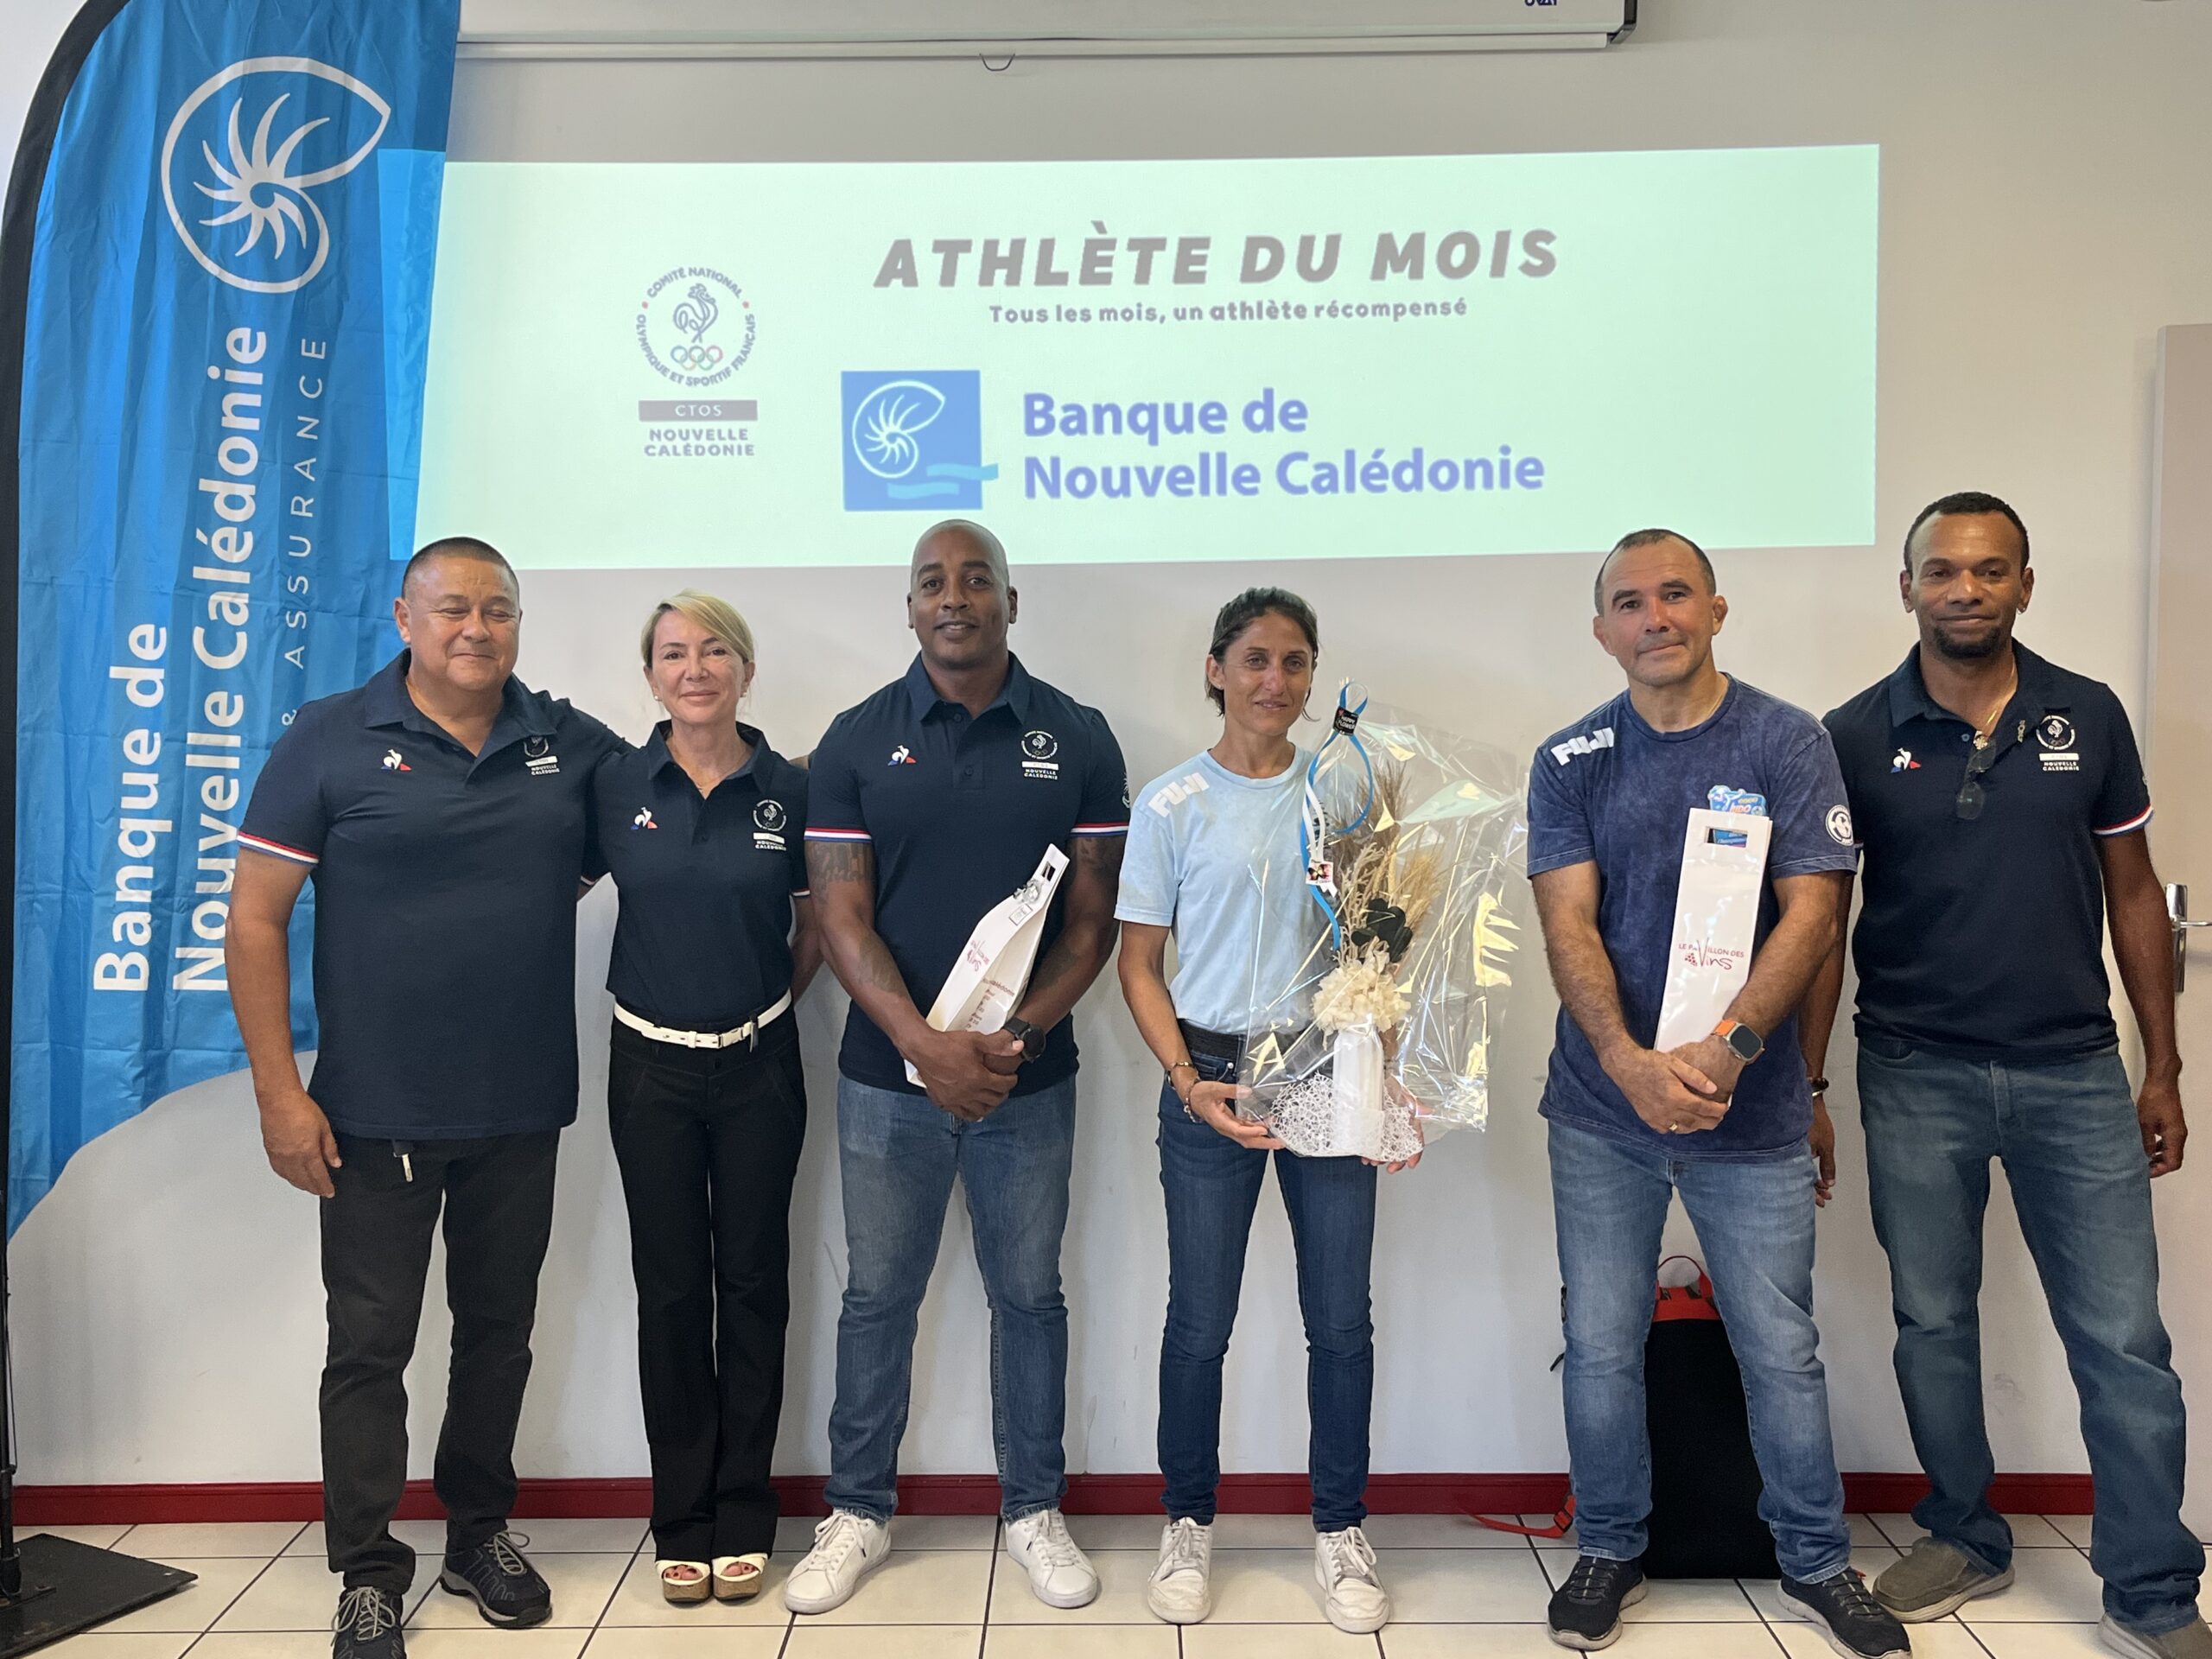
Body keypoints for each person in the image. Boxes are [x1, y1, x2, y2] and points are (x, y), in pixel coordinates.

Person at [1803, 493, 2206, 1659]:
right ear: (1907, 589)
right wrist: (1809, 1088)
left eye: (1990, 570)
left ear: (2026, 584)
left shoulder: (2090, 713)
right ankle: (1965, 1536)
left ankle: (2151, 1587)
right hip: (1911, 1071)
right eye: (1942, 571)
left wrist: (2163, 1066)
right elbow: (1821, 925)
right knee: (1932, 1323)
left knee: (2124, 1341)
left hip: (2074, 1074)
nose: (1965, 590)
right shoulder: (1852, 732)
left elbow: (2135, 891)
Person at [226, 537, 622, 1659]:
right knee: (369, 1349)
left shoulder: (569, 745)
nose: (477, 629)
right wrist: (278, 1096)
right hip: (370, 1113)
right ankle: (366, 1569)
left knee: (498, 1336)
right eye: (452, 608)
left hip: (519, 1103)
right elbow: (254, 919)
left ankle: (477, 1537)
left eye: (498, 609)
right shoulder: (328, 737)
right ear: (405, 618)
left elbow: (645, 826)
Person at [1526, 530, 1906, 1659]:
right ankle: (1608, 1547)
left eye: (1675, 594)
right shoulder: (1570, 758)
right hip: (1603, 1114)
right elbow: (1567, 923)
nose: (1655, 617)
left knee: (1779, 1348)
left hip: (1752, 1113)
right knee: (1600, 1344)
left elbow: (1813, 913)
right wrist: (1629, 1063)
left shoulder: (1788, 741)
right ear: (1602, 630)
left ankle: (1818, 1562)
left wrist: (1732, 1049)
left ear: (1716, 609)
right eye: (1629, 602)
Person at [786, 518, 1128, 1616]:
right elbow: (839, 918)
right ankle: (857, 1510)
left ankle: (1033, 1508)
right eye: (932, 581)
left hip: (1027, 1079)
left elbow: (1092, 922)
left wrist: (1010, 1041)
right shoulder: (854, 739)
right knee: (876, 1297)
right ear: (909, 606)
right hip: (886, 1081)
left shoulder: (1077, 736)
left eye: (977, 580)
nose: (954, 597)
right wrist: (925, 1048)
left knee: (1028, 1295)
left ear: (1009, 603)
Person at [1116, 588, 1413, 1636]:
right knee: (1200, 1321)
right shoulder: (1170, 805)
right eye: (1253, 660)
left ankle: (1340, 1530)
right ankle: (1187, 1521)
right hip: (1211, 1077)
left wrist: (1387, 1062)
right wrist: (1184, 1079)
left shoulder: (1344, 795)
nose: (1274, 681)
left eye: (1294, 662)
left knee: (1340, 1320)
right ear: (1215, 670)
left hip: (1325, 1068)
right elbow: (1139, 964)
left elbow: (1380, 942)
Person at [588, 590, 821, 1605]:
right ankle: (680, 1518)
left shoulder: (791, 788)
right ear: (651, 676)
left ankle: (743, 1513)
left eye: (715, 650)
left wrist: (761, 1012)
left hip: (760, 1063)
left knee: (755, 1285)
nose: (696, 669)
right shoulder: (613, 785)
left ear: (746, 669)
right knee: (673, 1290)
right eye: (675, 653)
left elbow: (817, 927)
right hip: (649, 1068)